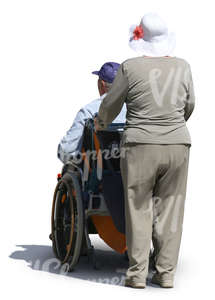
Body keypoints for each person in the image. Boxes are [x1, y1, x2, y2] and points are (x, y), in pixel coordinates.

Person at [94, 13, 195, 289]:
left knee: (139, 210)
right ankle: (166, 273)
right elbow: (189, 105)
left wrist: (101, 123)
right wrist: (171, 126)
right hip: (177, 145)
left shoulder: (129, 68)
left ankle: (137, 274)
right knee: (171, 209)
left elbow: (111, 104)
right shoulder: (183, 67)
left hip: (139, 146)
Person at [57, 62, 126, 164]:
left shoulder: (89, 111)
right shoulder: (139, 109)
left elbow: (66, 151)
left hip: (97, 176)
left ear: (101, 84)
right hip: (135, 175)